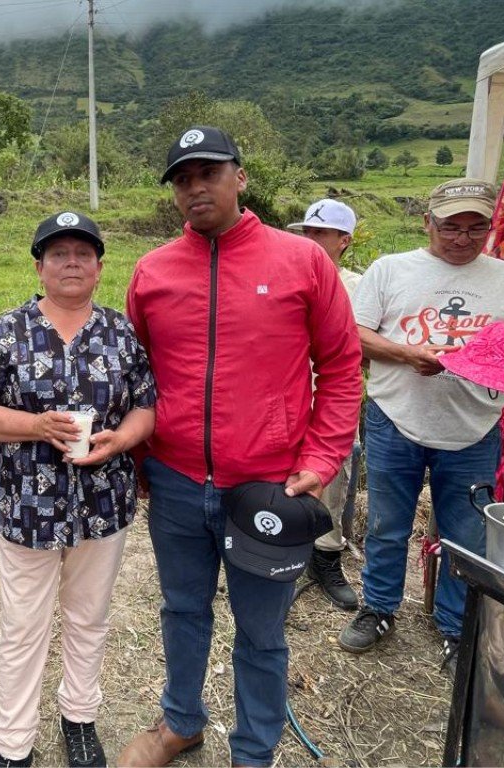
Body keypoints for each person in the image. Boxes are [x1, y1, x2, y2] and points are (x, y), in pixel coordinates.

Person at [119, 126, 362, 768]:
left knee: (260, 631)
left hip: (269, 488)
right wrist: (140, 462)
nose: (195, 187)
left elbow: (341, 368)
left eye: (209, 173)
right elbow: (137, 377)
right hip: (175, 482)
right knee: (182, 610)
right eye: (182, 179)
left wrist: (321, 459)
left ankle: (253, 750)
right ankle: (181, 723)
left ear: (240, 177)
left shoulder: (302, 261)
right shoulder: (153, 271)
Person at [0, 211, 157, 768]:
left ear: (99, 267)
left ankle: (79, 718)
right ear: (39, 267)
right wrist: (36, 425)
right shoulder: (11, 331)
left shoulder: (119, 333)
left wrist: (121, 440)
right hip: (26, 505)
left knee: (89, 617)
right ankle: (13, 743)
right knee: (23, 626)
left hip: (102, 505)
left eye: (82, 253)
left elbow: (146, 406)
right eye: (58, 254)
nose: (71, 263)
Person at [338, 179, 504, 676]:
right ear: (428, 222)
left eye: (475, 228)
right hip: (395, 419)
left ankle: (455, 624)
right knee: (386, 524)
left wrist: (485, 363)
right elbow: (354, 334)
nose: (462, 239)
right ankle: (379, 607)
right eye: (450, 227)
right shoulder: (391, 270)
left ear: (490, 228)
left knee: (465, 534)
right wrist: (408, 354)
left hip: (474, 428)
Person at [287, 198, 363, 611]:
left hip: (330, 399)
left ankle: (326, 556)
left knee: (331, 479)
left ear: (343, 240)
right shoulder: (284, 275)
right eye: (307, 232)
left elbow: (360, 344)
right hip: (286, 401)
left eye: (321, 233)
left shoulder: (357, 286)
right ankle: (280, 552)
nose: (311, 239)